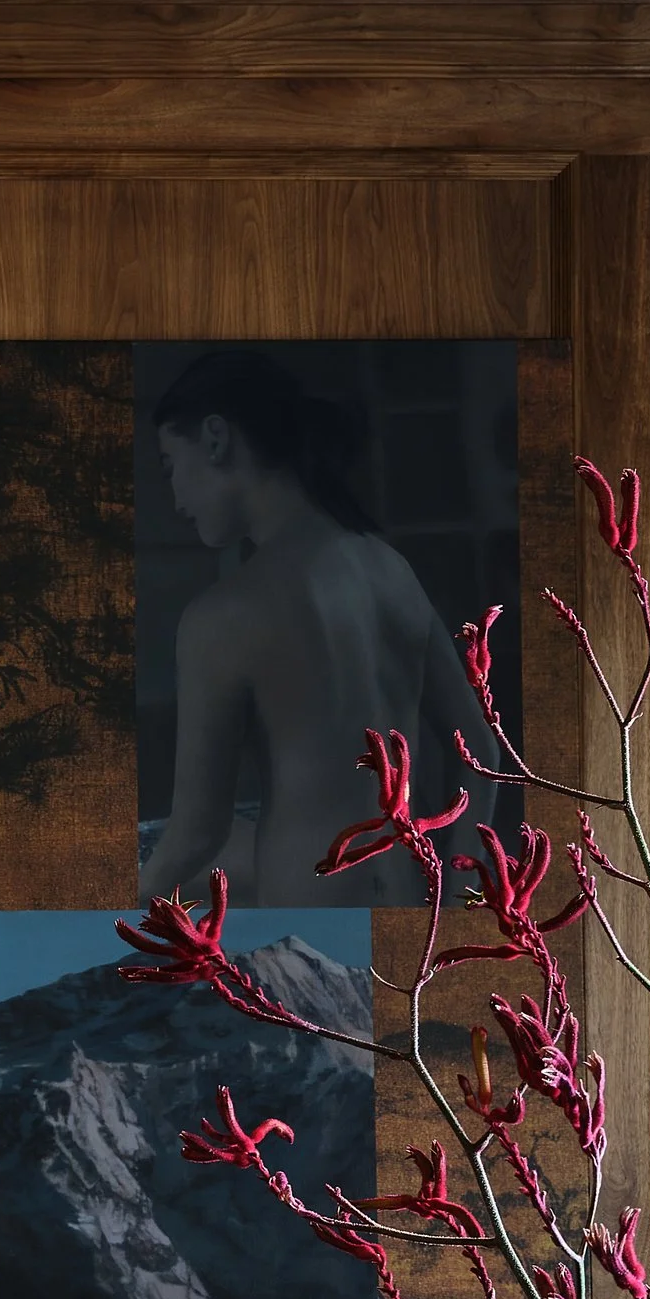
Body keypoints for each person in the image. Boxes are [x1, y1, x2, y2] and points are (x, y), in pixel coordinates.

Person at [137, 351, 500, 907]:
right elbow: (483, 752)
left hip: (314, 924)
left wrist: (118, 908)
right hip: (405, 900)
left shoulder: (226, 615)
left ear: (215, 439)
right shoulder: (391, 571)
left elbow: (197, 833)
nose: (176, 498)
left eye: (170, 465)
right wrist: (457, 892)